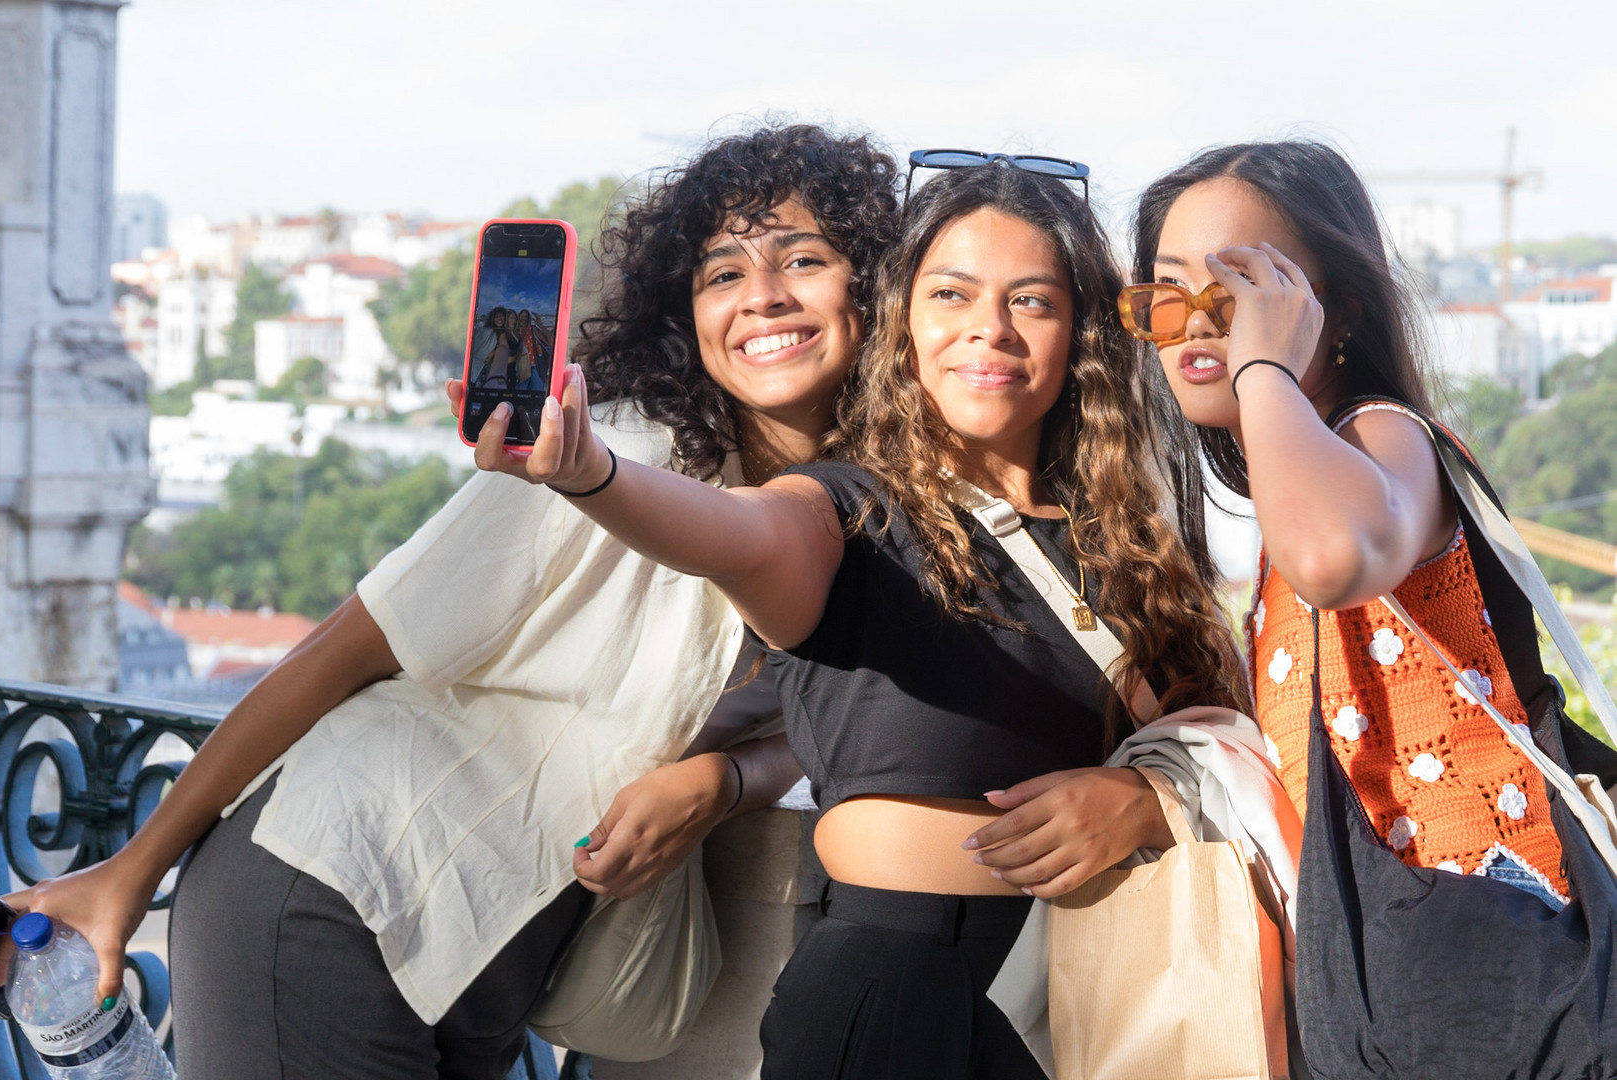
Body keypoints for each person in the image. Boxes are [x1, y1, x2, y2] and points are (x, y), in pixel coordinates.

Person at [0, 122, 901, 1080]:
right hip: (327, 895)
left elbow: (861, 705)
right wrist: (135, 874)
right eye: (723, 273)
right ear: (686, 309)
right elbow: (338, 652)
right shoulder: (611, 452)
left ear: (875, 287)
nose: (762, 294)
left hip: (486, 962)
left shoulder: (878, 513)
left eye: (803, 258)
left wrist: (727, 781)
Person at [472, 158, 1245, 1078]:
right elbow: (731, 532)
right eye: (951, 294)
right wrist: (589, 473)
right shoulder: (848, 511)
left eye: (1030, 301)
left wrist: (1141, 801)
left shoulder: (1131, 541)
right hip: (896, 986)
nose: (986, 331)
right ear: (903, 325)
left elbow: (1228, 748)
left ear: (1078, 333)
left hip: (1099, 984)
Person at [1124, 140, 1573, 906]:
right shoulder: (1298, 485)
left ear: (1337, 313)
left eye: (1241, 290)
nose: (1196, 323)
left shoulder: (1379, 434)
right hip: (1383, 947)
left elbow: (1333, 559)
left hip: (1480, 924)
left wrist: (1261, 367)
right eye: (1165, 295)